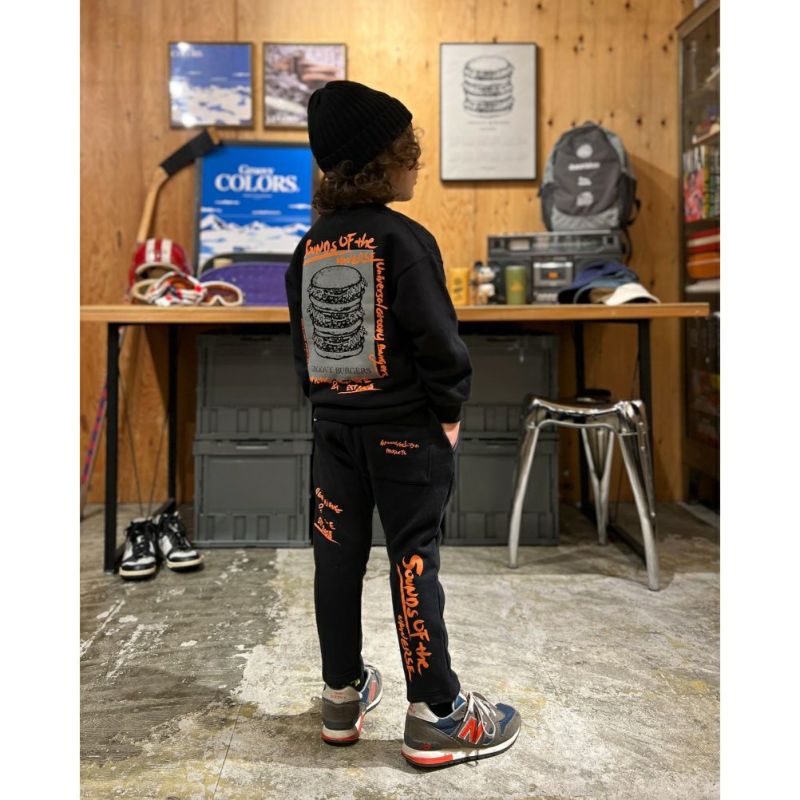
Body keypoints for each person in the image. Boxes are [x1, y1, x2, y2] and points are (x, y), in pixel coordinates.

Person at [284, 79, 520, 768]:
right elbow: (438, 342)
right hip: (405, 435)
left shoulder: (310, 248)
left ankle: (340, 695)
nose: (416, 162)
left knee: (336, 559)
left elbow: (305, 350)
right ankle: (436, 712)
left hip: (334, 436)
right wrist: (448, 411)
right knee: (413, 558)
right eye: (408, 150)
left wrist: (332, 409)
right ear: (383, 162)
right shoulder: (404, 240)